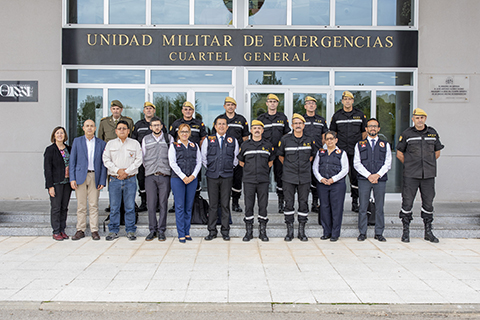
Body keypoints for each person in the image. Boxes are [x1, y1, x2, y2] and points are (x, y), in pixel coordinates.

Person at [396, 108, 444, 243]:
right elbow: (400, 152)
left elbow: (437, 152)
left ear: (425, 119)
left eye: (422, 117)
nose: (420, 120)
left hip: (428, 175)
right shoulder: (407, 134)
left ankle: (428, 232)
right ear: (413, 119)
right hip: (411, 175)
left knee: (428, 203)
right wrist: (410, 164)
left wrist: (427, 164)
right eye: (417, 118)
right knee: (407, 203)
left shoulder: (432, 133)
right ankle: (405, 232)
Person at [277, 113, 316, 242]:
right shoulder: (285, 139)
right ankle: (289, 231)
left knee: (303, 203)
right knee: (288, 203)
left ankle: (301, 231)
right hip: (289, 176)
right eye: (296, 123)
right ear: (292, 126)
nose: (298, 125)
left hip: (304, 176)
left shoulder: (310, 139)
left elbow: (312, 156)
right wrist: (290, 166)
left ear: (303, 125)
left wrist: (304, 165)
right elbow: (281, 156)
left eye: (300, 123)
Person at [102, 120, 142, 241]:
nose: (122, 130)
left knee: (130, 207)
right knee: (114, 207)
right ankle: (113, 231)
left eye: (124, 128)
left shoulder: (135, 143)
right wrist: (118, 170)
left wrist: (127, 172)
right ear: (116, 131)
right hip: (115, 179)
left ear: (128, 131)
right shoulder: (110, 144)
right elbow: (106, 160)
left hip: (130, 179)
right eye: (119, 128)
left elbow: (139, 160)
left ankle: (130, 230)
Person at [353, 118, 392, 242]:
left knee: (379, 207)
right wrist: (369, 175)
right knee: (363, 207)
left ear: (379, 129)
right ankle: (362, 232)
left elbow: (388, 163)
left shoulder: (385, 144)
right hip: (364, 179)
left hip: (380, 180)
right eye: (370, 126)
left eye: (375, 126)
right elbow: (357, 163)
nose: (373, 128)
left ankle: (379, 232)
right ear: (366, 129)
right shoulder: (359, 145)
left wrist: (377, 175)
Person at [202, 116, 239, 241]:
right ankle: (212, 231)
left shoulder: (232, 140)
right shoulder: (209, 139)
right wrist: (213, 168)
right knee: (212, 205)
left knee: (225, 204)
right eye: (219, 124)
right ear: (215, 126)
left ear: (227, 127)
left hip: (227, 176)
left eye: (224, 124)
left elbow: (235, 158)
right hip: (212, 176)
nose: (222, 126)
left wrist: (227, 168)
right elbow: (204, 157)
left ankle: (225, 231)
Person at [69, 119, 107, 241]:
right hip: (80, 176)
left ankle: (94, 230)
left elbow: (103, 164)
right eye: (87, 126)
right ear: (83, 128)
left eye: (91, 126)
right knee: (81, 205)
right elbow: (72, 161)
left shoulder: (101, 143)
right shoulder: (77, 141)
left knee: (93, 204)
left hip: (94, 176)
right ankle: (80, 230)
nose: (89, 128)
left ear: (95, 128)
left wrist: (102, 180)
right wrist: (72, 178)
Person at [329, 91, 367, 213]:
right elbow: (332, 133)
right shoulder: (337, 116)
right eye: (345, 99)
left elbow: (364, 132)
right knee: (337, 177)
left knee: (355, 178)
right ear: (342, 101)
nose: (347, 101)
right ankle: (336, 203)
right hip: (340, 152)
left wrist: (361, 146)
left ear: (353, 101)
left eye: (349, 99)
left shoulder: (360, 115)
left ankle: (355, 202)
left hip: (355, 152)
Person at [237, 120, 274, 242]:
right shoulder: (245, 145)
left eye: (259, 128)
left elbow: (270, 162)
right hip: (249, 180)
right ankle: (249, 232)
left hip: (263, 180)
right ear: (251, 131)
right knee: (249, 205)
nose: (257, 130)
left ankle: (263, 232)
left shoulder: (268, 145)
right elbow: (241, 162)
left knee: (263, 205)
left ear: (262, 131)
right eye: (255, 128)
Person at [169, 101, 207, 212]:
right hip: (180, 158)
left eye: (190, 109)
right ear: (182, 111)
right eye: (185, 109)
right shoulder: (176, 124)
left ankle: (194, 204)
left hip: (193, 158)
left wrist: (198, 152)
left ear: (193, 111)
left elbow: (203, 140)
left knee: (195, 183)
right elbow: (172, 139)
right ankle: (176, 204)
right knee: (178, 185)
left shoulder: (199, 124)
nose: (188, 111)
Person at [212, 97, 249, 212]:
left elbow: (245, 137)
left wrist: (241, 152)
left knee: (237, 180)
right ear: (224, 106)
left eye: (232, 104)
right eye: (228, 104)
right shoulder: (219, 119)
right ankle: (222, 203)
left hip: (237, 155)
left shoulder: (241, 119)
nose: (230, 106)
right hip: (222, 156)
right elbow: (214, 138)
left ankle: (235, 203)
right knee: (222, 179)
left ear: (235, 107)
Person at [98, 99, 134, 213]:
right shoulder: (104, 122)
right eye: (113, 109)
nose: (116, 111)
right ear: (111, 110)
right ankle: (111, 202)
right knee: (112, 180)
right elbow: (100, 139)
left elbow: (131, 138)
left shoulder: (128, 121)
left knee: (127, 182)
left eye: (118, 109)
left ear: (121, 110)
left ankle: (125, 202)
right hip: (111, 155)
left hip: (125, 155)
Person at [257, 94, 291, 213]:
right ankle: (262, 204)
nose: (272, 103)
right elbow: (257, 135)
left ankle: (281, 203)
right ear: (266, 103)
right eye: (270, 101)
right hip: (264, 154)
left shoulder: (282, 117)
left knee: (281, 178)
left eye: (274, 101)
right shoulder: (261, 118)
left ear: (277, 104)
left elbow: (286, 135)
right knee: (263, 178)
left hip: (279, 153)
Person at [168, 124, 202, 243]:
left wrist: (193, 176)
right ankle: (181, 233)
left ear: (190, 133)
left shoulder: (194, 145)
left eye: (187, 132)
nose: (184, 134)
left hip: (192, 180)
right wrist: (183, 177)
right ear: (178, 133)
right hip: (178, 179)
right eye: (182, 132)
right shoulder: (174, 146)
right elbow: (172, 163)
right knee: (180, 206)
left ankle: (187, 232)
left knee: (188, 207)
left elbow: (199, 162)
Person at [142, 117, 174, 242]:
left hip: (165, 175)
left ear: (162, 126)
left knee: (163, 203)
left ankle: (161, 230)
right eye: (154, 125)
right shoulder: (146, 139)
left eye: (158, 125)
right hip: (150, 175)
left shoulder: (168, 138)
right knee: (151, 204)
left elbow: (172, 156)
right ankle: (152, 230)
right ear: (150, 127)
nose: (156, 127)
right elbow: (143, 158)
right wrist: (151, 169)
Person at [313, 131, 349, 242]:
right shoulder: (320, 152)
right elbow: (315, 167)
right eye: (327, 139)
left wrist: (333, 179)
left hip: (337, 185)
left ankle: (335, 233)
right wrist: (321, 179)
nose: (329, 141)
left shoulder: (341, 153)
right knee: (324, 208)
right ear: (324, 140)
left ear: (336, 140)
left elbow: (345, 169)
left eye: (331, 139)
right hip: (323, 184)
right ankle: (326, 232)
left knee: (336, 209)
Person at [43, 126, 72, 241]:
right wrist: (50, 186)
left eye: (62, 133)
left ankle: (62, 230)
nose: (60, 135)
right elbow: (47, 169)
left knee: (64, 207)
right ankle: (55, 231)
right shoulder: (50, 150)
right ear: (54, 135)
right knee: (56, 208)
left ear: (65, 136)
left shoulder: (68, 149)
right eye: (58, 133)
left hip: (67, 183)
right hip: (56, 183)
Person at [302, 95, 328, 214]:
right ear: (305, 106)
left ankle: (315, 203)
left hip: (318, 154)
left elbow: (324, 138)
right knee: (306, 179)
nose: (311, 105)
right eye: (308, 103)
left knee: (317, 179)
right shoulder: (301, 120)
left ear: (315, 106)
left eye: (313, 103)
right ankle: (304, 203)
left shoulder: (321, 120)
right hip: (305, 154)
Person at [131, 102, 157, 212]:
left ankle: (156, 203)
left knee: (155, 180)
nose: (149, 110)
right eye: (147, 108)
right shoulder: (138, 125)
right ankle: (144, 202)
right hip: (141, 157)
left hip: (155, 158)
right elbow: (133, 140)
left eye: (151, 108)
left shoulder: (158, 123)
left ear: (154, 111)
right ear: (144, 111)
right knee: (141, 180)